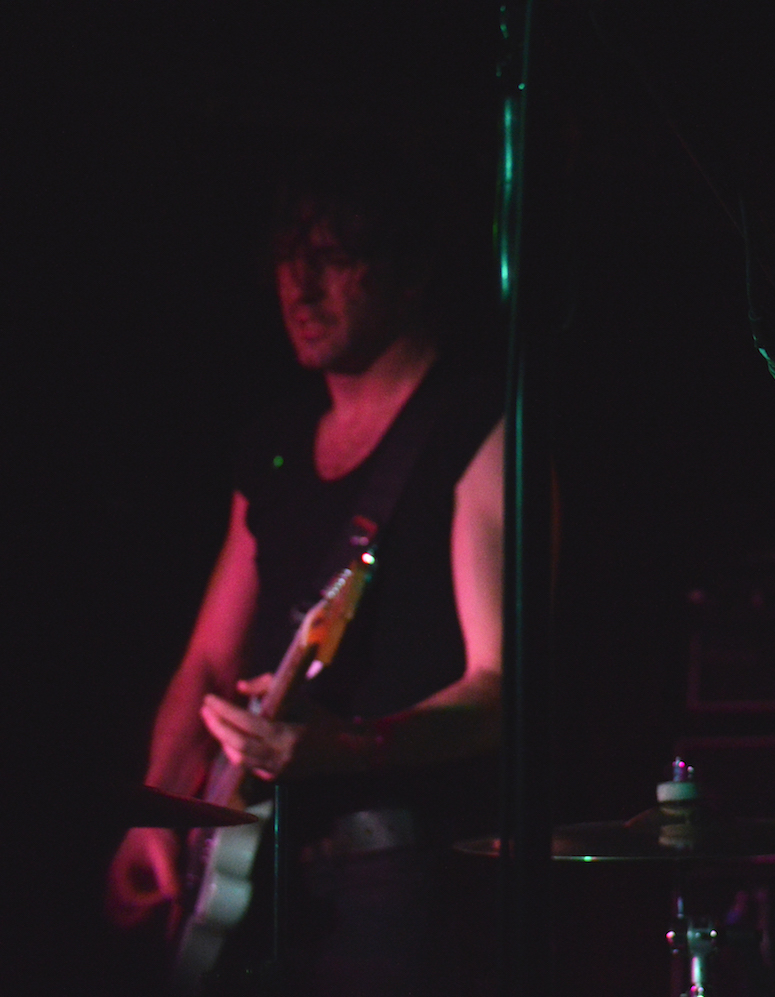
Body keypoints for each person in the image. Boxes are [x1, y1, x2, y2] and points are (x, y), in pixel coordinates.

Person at [105, 150, 506, 995]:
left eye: (333, 257)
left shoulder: (475, 424)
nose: (301, 287)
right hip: (264, 866)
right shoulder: (275, 445)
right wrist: (161, 809)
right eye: (289, 258)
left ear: (408, 274)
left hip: (397, 867)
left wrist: (342, 749)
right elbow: (209, 661)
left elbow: (497, 690)